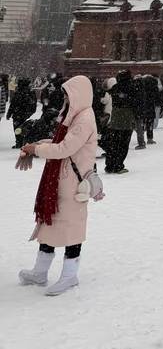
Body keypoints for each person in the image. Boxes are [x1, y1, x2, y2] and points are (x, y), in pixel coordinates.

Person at [16, 74, 98, 296]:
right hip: (59, 181)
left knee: (72, 229)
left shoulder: (84, 119)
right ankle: (40, 272)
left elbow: (64, 149)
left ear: (78, 95)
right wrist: (37, 144)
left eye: (68, 95)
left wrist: (36, 149)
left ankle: (70, 276)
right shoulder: (74, 116)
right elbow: (59, 143)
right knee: (49, 224)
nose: (65, 99)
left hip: (73, 185)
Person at [104, 70, 136, 174]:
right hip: (127, 117)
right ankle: (118, 165)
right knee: (123, 143)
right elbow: (137, 102)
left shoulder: (115, 87)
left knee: (113, 142)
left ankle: (109, 165)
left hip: (115, 117)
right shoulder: (132, 86)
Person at [8, 78, 37, 149]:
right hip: (25, 113)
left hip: (18, 113)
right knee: (24, 127)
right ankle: (23, 142)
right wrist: (31, 111)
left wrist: (9, 113)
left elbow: (13, 103)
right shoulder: (30, 92)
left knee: (17, 128)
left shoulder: (19, 92)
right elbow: (34, 103)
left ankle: (19, 142)